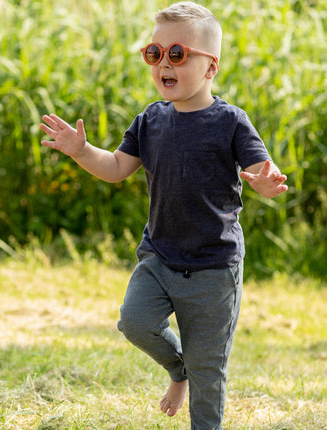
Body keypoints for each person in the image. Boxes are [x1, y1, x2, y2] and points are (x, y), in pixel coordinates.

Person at [39, 2, 288, 428]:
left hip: (214, 266)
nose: (162, 64)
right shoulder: (150, 120)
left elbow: (261, 169)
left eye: (177, 53)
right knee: (134, 322)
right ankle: (178, 370)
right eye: (154, 54)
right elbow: (117, 168)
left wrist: (264, 184)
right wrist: (81, 151)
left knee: (208, 372)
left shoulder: (230, 121)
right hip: (159, 256)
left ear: (210, 68)